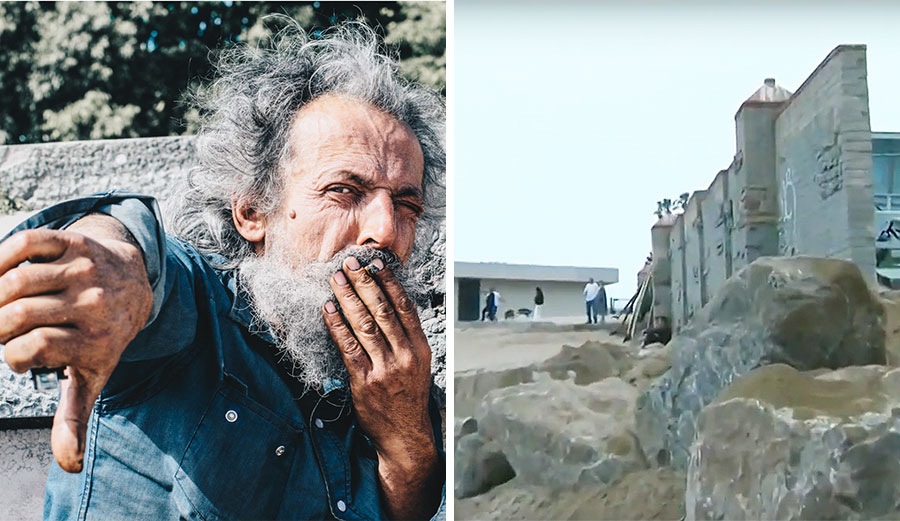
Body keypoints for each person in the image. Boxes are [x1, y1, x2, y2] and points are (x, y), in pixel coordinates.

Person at [0, 23, 445, 521]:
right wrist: (114, 264)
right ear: (252, 210)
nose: (385, 232)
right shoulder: (194, 305)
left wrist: (406, 433)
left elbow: (406, 507)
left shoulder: (392, 374)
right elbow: (137, 251)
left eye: (407, 204)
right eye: (344, 190)